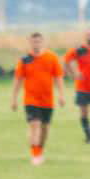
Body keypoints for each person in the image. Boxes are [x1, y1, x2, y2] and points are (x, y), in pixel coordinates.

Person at [11, 32, 65, 165]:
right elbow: (18, 80)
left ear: (43, 42)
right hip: (31, 100)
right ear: (29, 42)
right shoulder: (25, 60)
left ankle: (40, 150)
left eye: (38, 41)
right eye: (34, 41)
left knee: (45, 129)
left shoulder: (51, 57)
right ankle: (35, 156)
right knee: (35, 125)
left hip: (47, 100)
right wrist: (14, 98)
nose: (36, 44)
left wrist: (61, 95)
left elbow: (58, 77)